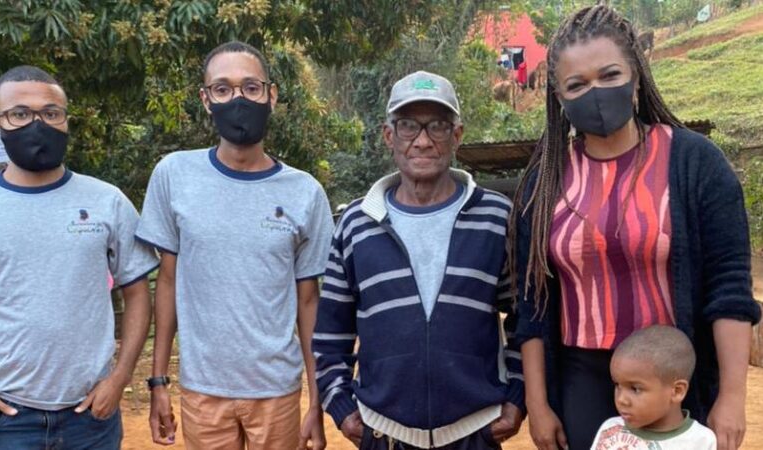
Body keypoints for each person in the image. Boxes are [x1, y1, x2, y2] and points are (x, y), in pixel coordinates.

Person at [509, 5, 761, 450]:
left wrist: (732, 397)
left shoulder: (695, 164)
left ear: (637, 76)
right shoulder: (544, 182)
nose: (595, 93)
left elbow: (729, 288)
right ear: (559, 96)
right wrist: (539, 403)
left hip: (676, 377)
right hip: (581, 381)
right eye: (577, 85)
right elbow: (533, 304)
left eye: (610, 75)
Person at [313, 70, 525, 450]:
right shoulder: (356, 224)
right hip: (383, 435)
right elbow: (330, 335)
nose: (423, 141)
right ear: (389, 135)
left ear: (456, 136)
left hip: (474, 434)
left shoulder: (496, 217)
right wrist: (343, 409)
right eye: (408, 125)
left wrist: (517, 397)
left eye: (438, 126)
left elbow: (525, 317)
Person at [137, 41, 333, 450]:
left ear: (271, 95)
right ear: (205, 99)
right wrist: (158, 382)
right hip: (202, 390)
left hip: (277, 390)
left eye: (251, 87)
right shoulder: (174, 175)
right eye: (223, 89)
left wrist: (316, 399)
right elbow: (167, 282)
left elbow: (308, 301)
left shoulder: (305, 193)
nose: (237, 99)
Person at [0, 65, 158, 449]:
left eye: (51, 113)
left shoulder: (107, 201)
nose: (37, 124)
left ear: (65, 120)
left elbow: (138, 293)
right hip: (3, 420)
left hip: (90, 417)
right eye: (19, 114)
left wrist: (120, 378)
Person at [591, 325, 717, 449]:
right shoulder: (610, 429)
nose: (621, 400)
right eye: (617, 385)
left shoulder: (700, 441)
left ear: (677, 391)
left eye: (635, 389)